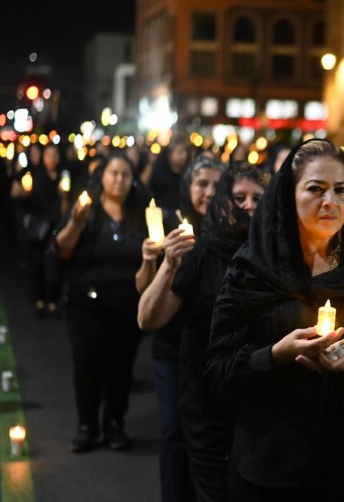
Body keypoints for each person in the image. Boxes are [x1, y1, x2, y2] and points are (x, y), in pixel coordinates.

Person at [205, 139, 344, 500]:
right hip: (271, 461)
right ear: (289, 195)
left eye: (341, 190)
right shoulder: (252, 269)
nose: (330, 202)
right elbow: (216, 368)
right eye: (316, 189)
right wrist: (275, 355)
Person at [138, 162, 268, 501]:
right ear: (223, 201)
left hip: (255, 400)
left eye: (258, 198)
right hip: (204, 397)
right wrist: (168, 265)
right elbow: (148, 319)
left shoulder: (272, 256)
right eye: (239, 197)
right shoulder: (202, 250)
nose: (249, 206)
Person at [139, 153, 224, 502]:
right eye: (201, 184)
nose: (208, 192)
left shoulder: (229, 228)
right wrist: (154, 261)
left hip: (212, 348)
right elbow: (143, 294)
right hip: (173, 346)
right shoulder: (170, 227)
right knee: (175, 429)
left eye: (217, 186)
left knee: (207, 433)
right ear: (187, 187)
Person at [54, 153, 150, 453]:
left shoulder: (141, 215)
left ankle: (114, 423)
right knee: (87, 364)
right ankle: (87, 425)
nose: (119, 180)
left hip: (126, 306)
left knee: (121, 367)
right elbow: (61, 250)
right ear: (102, 177)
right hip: (87, 307)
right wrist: (76, 222)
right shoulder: (87, 211)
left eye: (125, 174)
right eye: (114, 173)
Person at [10, 142, 67, 318]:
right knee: (37, 264)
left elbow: (64, 203)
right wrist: (24, 193)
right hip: (38, 227)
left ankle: (53, 299)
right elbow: (16, 194)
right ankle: (39, 300)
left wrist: (64, 196)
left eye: (56, 155)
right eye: (49, 155)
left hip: (55, 226)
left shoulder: (63, 176)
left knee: (54, 263)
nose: (53, 159)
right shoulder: (34, 174)